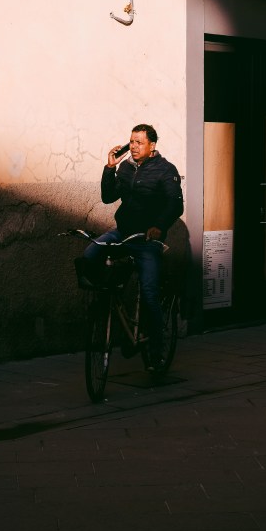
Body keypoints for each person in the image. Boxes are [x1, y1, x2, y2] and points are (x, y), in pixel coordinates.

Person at [84, 124, 184, 368]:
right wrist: (109, 168)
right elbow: (108, 197)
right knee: (89, 254)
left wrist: (159, 226)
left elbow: (175, 205)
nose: (134, 147)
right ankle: (107, 300)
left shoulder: (165, 170)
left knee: (149, 294)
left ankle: (156, 349)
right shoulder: (126, 168)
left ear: (152, 146)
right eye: (132, 142)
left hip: (147, 240)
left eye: (139, 142)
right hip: (123, 233)